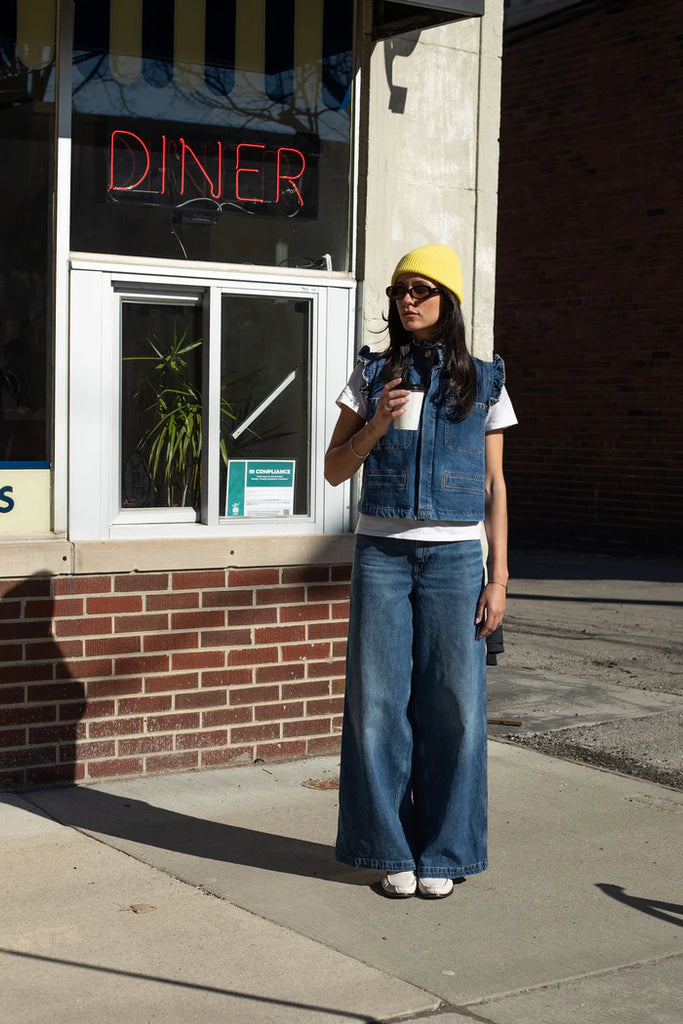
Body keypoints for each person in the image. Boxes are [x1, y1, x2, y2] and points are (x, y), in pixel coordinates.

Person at [324, 244, 517, 899]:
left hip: (457, 561)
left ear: (448, 299)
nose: (406, 300)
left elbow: (494, 485)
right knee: (378, 706)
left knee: (456, 708)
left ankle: (446, 852)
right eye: (399, 290)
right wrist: (376, 423)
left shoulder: (485, 381)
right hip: (381, 556)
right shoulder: (372, 374)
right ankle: (387, 849)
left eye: (420, 289)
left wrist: (498, 578)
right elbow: (334, 469)